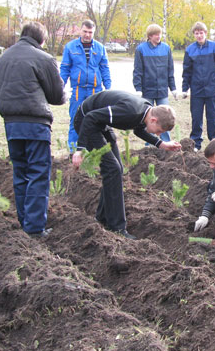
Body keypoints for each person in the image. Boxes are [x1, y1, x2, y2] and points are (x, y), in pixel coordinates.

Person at [72, 90, 182, 239]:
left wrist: (161, 144)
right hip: (87, 121)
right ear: (154, 120)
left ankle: (102, 217)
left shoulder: (145, 112)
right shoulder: (131, 111)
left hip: (101, 123)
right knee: (112, 169)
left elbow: (138, 130)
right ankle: (117, 227)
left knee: (117, 169)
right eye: (159, 131)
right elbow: (91, 117)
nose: (157, 134)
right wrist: (80, 149)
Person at [0, 21, 66, 238]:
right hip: (35, 124)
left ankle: (24, 219)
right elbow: (57, 96)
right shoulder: (44, 59)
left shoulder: (3, 57)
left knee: (20, 172)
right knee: (38, 173)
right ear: (41, 40)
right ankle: (34, 228)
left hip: (11, 123)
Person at [60, 19, 111, 151]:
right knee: (75, 120)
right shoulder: (70, 47)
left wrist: (109, 87)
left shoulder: (100, 48)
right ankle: (73, 150)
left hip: (95, 91)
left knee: (97, 121)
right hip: (78, 91)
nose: (87, 35)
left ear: (93, 32)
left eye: (90, 32)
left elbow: (105, 68)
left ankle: (94, 150)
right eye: (85, 31)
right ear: (80, 30)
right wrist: (60, 85)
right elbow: (64, 69)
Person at [181, 21, 215, 152]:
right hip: (196, 90)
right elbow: (187, 71)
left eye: (201, 33)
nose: (199, 35)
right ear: (194, 35)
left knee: (212, 117)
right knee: (196, 117)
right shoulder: (190, 50)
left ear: (205, 33)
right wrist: (185, 88)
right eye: (196, 33)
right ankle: (195, 143)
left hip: (211, 88)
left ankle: (214, 143)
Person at [133, 24, 177, 143]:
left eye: (159, 34)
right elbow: (138, 70)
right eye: (155, 34)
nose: (158, 36)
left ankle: (166, 143)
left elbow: (170, 69)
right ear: (150, 36)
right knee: (149, 119)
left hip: (162, 90)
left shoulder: (166, 48)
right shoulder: (141, 49)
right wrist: (138, 88)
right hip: (147, 90)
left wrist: (173, 88)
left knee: (165, 118)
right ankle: (149, 145)